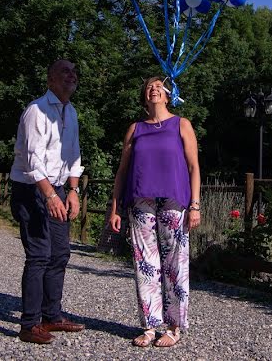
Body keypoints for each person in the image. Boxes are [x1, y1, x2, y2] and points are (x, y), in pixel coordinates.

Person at [108, 76, 202, 348]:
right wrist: (115, 208)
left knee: (176, 265)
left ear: (167, 95)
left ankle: (174, 327)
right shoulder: (135, 129)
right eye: (149, 86)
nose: (154, 89)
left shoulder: (181, 124)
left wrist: (195, 204)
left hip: (175, 202)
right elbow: (122, 172)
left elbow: (194, 167)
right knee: (144, 264)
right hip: (140, 203)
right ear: (144, 96)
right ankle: (149, 326)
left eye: (159, 86)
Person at [10, 59, 85, 345]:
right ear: (50, 78)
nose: (71, 76)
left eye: (74, 72)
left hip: (56, 187)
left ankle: (51, 316)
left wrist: (73, 190)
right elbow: (31, 160)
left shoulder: (72, 112)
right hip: (31, 189)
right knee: (39, 254)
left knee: (60, 253)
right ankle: (29, 324)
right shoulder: (36, 111)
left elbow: (73, 154)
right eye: (65, 72)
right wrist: (50, 194)